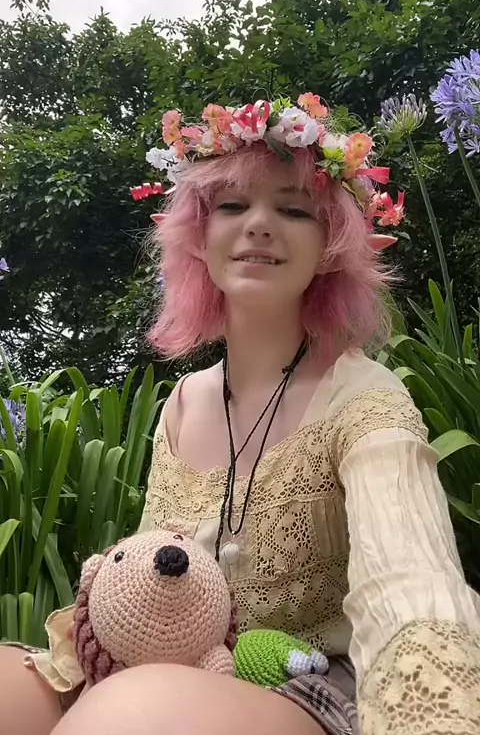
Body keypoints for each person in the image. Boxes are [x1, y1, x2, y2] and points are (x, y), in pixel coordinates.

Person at [1, 94, 480, 735]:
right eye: (231, 205)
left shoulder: (364, 399)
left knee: (134, 712)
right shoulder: (183, 403)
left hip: (313, 685)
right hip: (180, 664)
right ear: (198, 236)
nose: (258, 224)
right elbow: (148, 575)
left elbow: (410, 585)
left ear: (332, 244)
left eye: (294, 209)